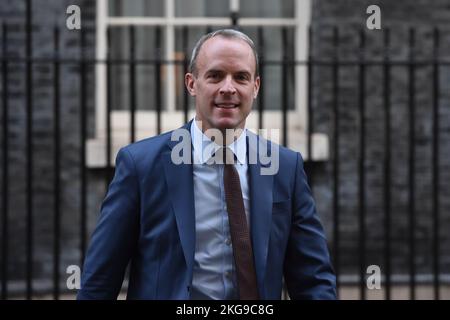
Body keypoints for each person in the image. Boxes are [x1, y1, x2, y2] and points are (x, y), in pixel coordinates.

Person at [77, 29, 336, 300]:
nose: (228, 88)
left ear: (255, 87)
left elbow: (313, 279)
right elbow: (100, 280)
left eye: (241, 77)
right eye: (215, 75)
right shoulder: (139, 166)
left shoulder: (286, 167)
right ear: (191, 83)